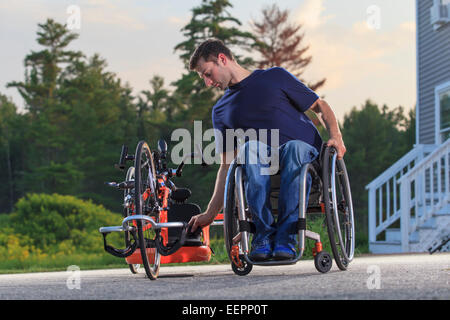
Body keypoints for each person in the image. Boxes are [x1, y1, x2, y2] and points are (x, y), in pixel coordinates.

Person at [188, 39, 346, 261]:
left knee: (292, 148)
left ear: (222, 59)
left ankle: (287, 237)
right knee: (250, 148)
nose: (207, 82)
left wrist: (336, 137)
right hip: (263, 166)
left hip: (305, 158)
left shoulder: (274, 77)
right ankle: (262, 237)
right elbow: (226, 166)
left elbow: (320, 105)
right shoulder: (221, 110)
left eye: (207, 73)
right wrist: (210, 213)